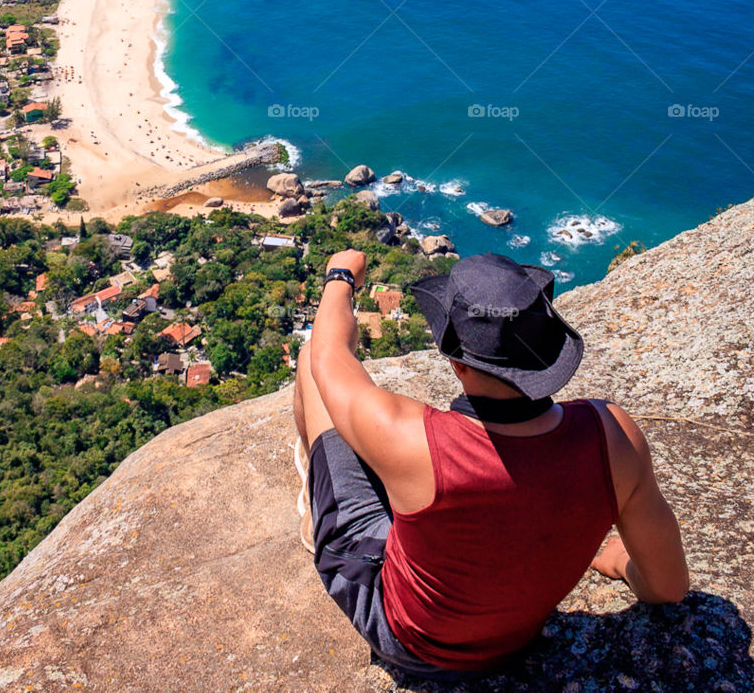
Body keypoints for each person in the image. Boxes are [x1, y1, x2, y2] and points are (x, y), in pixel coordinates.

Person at [293, 248, 689, 680]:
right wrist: (621, 564)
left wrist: (340, 274)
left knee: (311, 364)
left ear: (458, 364)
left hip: (408, 641)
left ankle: (318, 495)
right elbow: (668, 587)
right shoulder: (615, 437)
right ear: (549, 352)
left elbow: (328, 353)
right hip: (516, 640)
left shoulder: (410, 439)